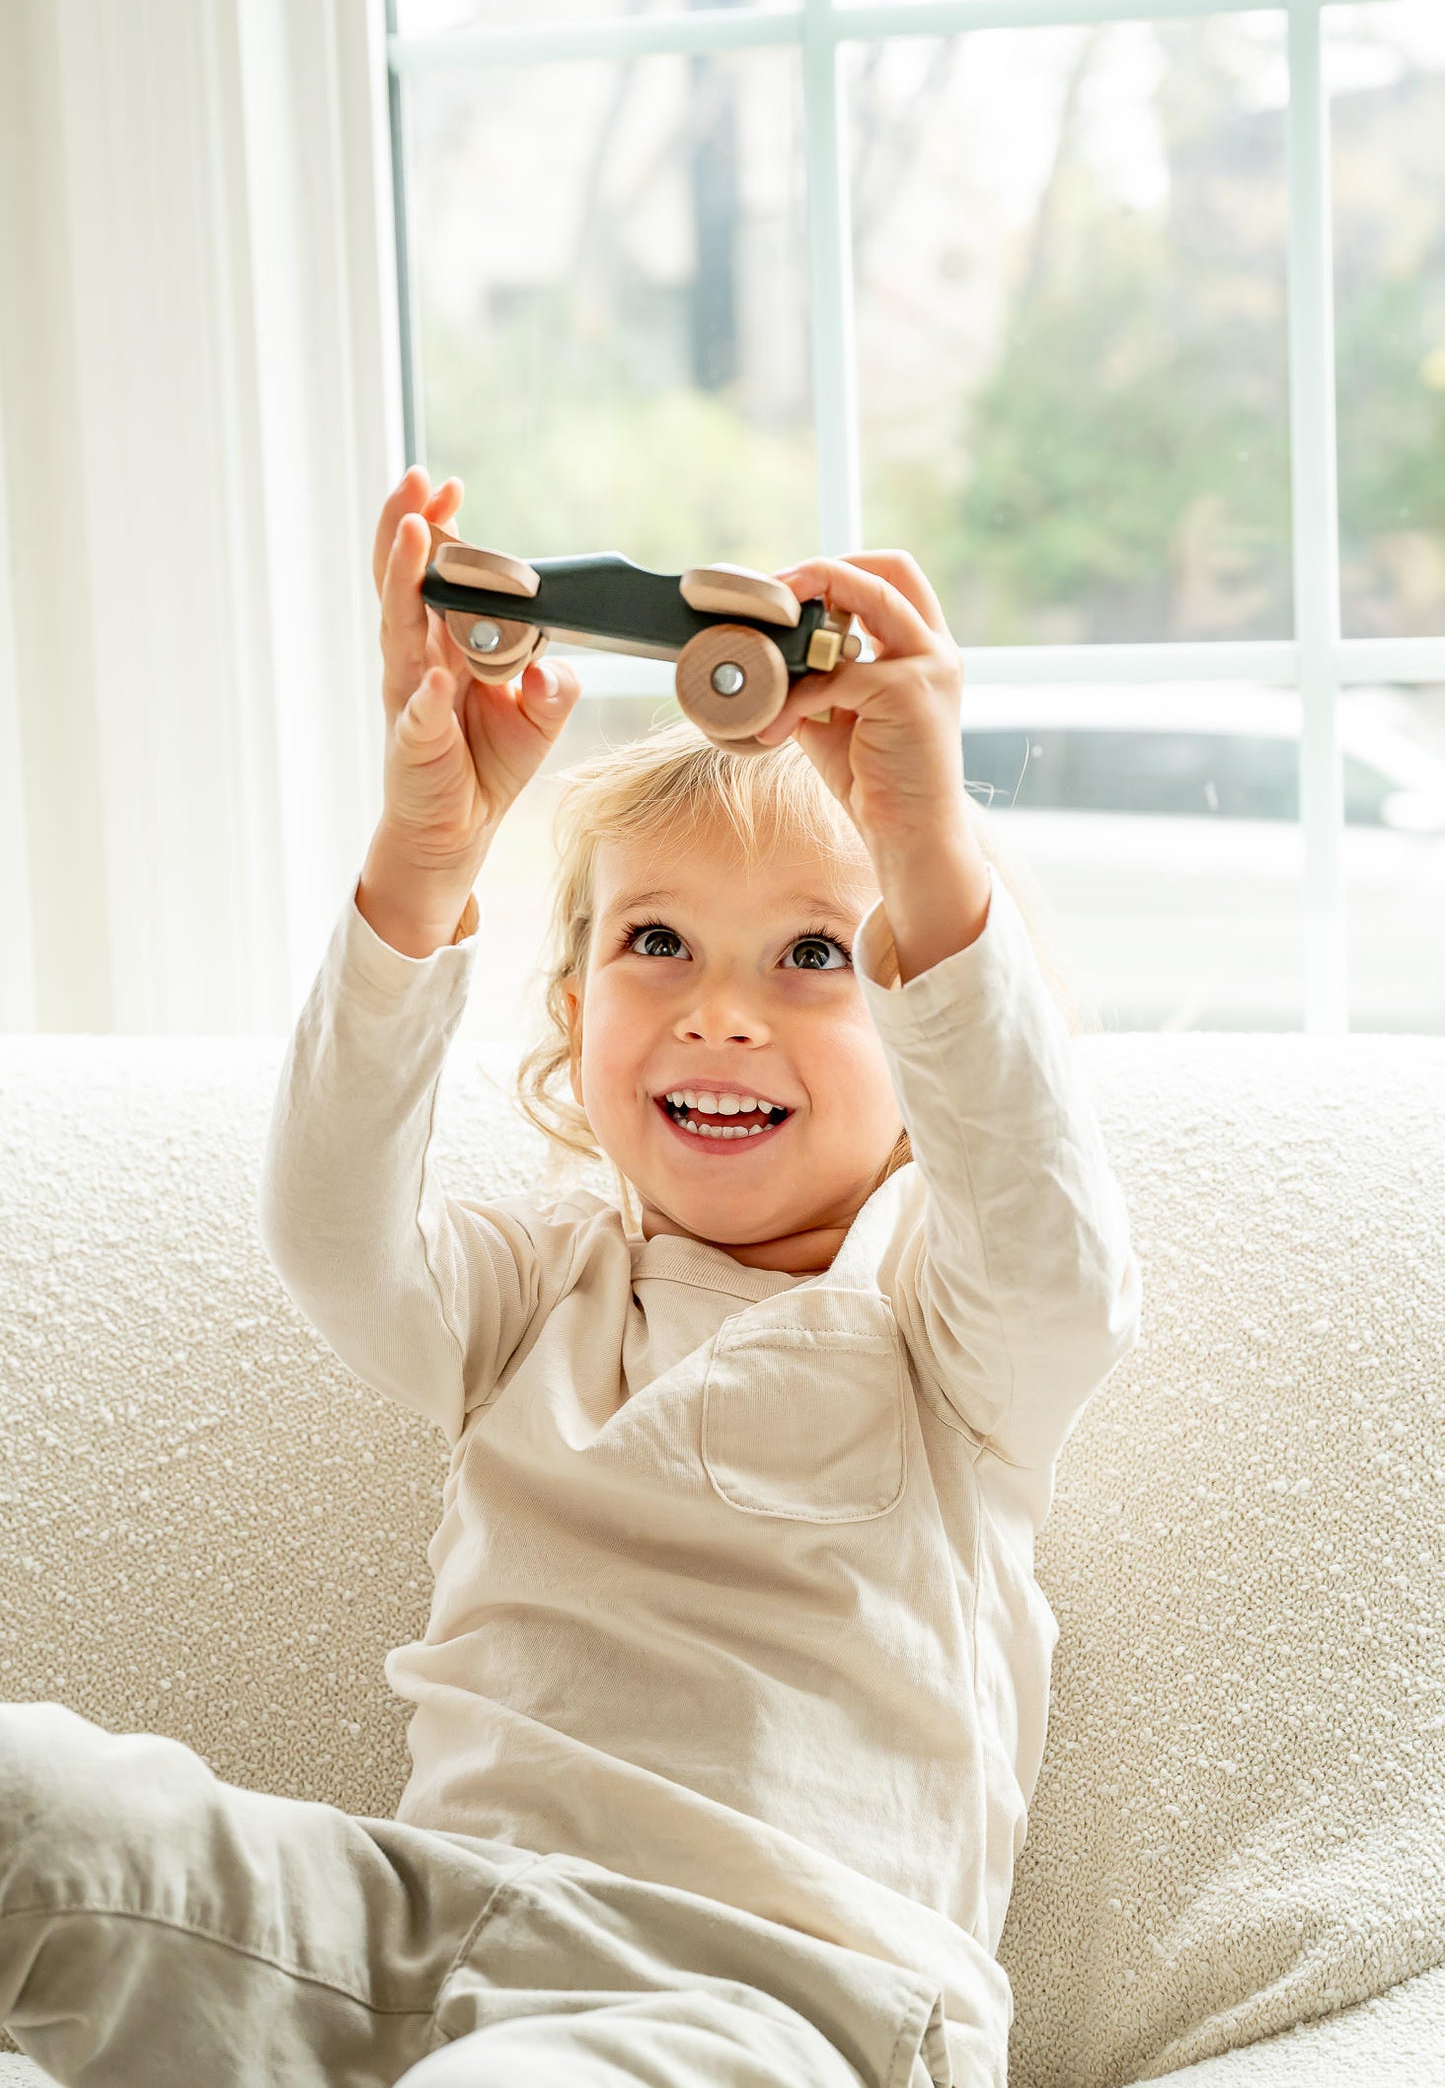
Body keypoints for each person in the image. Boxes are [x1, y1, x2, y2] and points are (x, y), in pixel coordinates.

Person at [0, 466, 1141, 2088]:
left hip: (769, 1998)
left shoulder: (940, 1336)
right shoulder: (531, 1291)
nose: (719, 1012)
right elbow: (333, 1233)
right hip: (418, 1927)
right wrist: (421, 855)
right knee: (41, 1804)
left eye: (817, 954)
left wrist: (925, 848)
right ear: (571, 1013)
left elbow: (1053, 1266)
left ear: (919, 1028)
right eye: (654, 943)